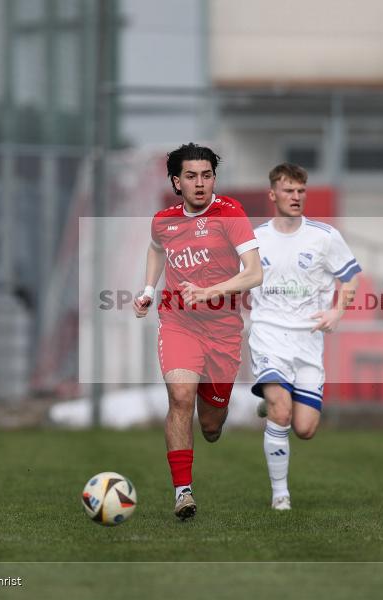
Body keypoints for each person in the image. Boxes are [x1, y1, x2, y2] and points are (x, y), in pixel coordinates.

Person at [133, 143, 263, 521]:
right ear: (176, 181)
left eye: (207, 175)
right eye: (191, 176)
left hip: (223, 329)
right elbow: (157, 249)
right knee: (180, 397)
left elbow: (254, 273)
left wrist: (209, 292)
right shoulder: (163, 220)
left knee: (210, 424)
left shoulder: (230, 214)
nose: (200, 183)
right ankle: (183, 493)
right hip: (179, 322)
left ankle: (216, 415)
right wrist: (146, 291)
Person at [249, 163, 361, 511]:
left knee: (305, 428)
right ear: (273, 195)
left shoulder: (323, 237)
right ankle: (280, 493)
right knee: (281, 414)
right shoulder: (254, 239)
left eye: (301, 191)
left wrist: (337, 312)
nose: (296, 197)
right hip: (268, 335)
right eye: (288, 191)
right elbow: (239, 281)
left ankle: (274, 398)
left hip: (309, 341)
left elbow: (352, 277)